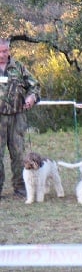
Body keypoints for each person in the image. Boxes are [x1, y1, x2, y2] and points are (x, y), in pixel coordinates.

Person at [0, 38, 41, 198]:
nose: (2, 55)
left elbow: (35, 86)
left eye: (5, 51)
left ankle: (20, 187)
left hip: (17, 117)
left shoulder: (19, 67)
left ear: (9, 50)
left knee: (18, 154)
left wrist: (31, 97)